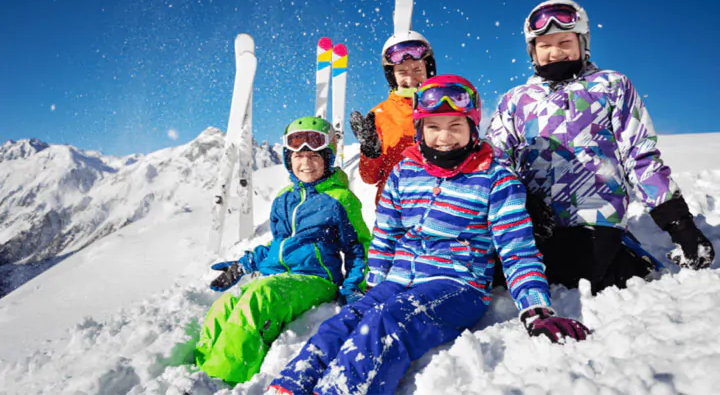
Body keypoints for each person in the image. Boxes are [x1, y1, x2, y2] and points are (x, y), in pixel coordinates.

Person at [267, 75, 590, 395]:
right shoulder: (404, 172)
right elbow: (386, 233)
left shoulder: (495, 177)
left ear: (472, 127)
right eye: (433, 126)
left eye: (455, 126)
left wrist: (536, 309)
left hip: (456, 284)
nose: (444, 137)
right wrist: (374, 285)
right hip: (399, 279)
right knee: (344, 321)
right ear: (420, 129)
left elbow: (517, 249)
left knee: (387, 322)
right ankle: (289, 387)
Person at [487, 0, 715, 295]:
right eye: (544, 45)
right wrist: (520, 201)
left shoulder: (610, 86)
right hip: (534, 225)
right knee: (499, 276)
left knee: (575, 277)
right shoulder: (516, 100)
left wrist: (679, 223)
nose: (555, 52)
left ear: (583, 43)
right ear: (533, 51)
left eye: (565, 42)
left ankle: (626, 257)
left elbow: (640, 156)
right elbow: (493, 160)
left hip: (595, 218)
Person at [194, 116, 371, 385]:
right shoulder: (283, 199)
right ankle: (201, 373)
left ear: (328, 158)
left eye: (314, 156)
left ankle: (223, 377)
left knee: (260, 296)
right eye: (298, 156)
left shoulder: (340, 199)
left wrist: (354, 286)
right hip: (279, 276)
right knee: (225, 305)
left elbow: (358, 246)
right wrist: (244, 264)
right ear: (289, 160)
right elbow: (280, 245)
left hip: (315, 279)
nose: (306, 162)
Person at [349, 29, 437, 205]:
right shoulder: (379, 115)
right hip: (394, 208)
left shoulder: (445, 105)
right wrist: (370, 151)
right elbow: (370, 178)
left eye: (417, 70)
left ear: (428, 69)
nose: (410, 79)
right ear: (392, 76)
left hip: (440, 206)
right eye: (402, 72)